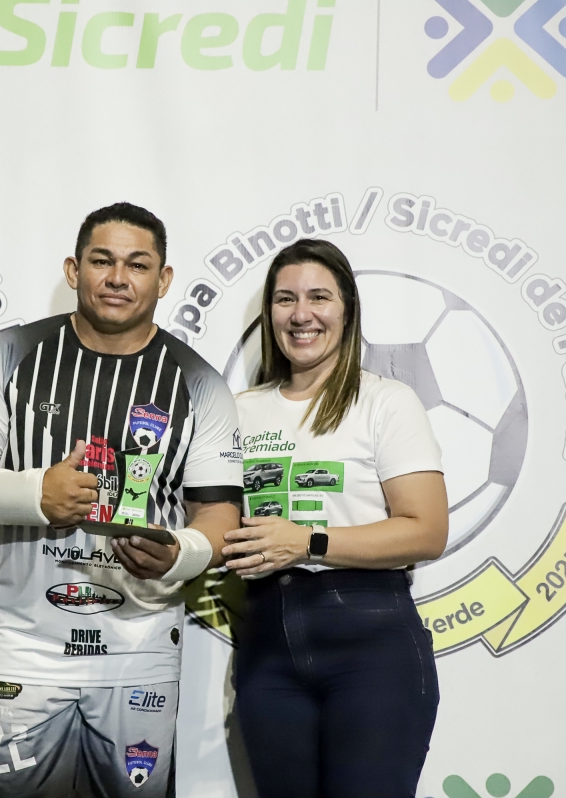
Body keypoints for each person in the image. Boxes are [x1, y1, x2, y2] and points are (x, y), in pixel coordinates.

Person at [0, 203, 243, 798]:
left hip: (140, 645)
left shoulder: (200, 382)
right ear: (73, 270)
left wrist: (178, 554)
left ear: (164, 279)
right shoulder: (10, 353)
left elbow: (218, 514)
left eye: (138, 264)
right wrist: (36, 495)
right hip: (22, 645)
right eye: (102, 261)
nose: (117, 278)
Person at [223, 239, 448, 798]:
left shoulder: (386, 402)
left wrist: (307, 542)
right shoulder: (238, 411)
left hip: (371, 647)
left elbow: (426, 530)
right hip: (267, 647)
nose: (301, 314)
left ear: (347, 309)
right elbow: (212, 521)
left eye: (319, 297)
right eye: (285, 299)